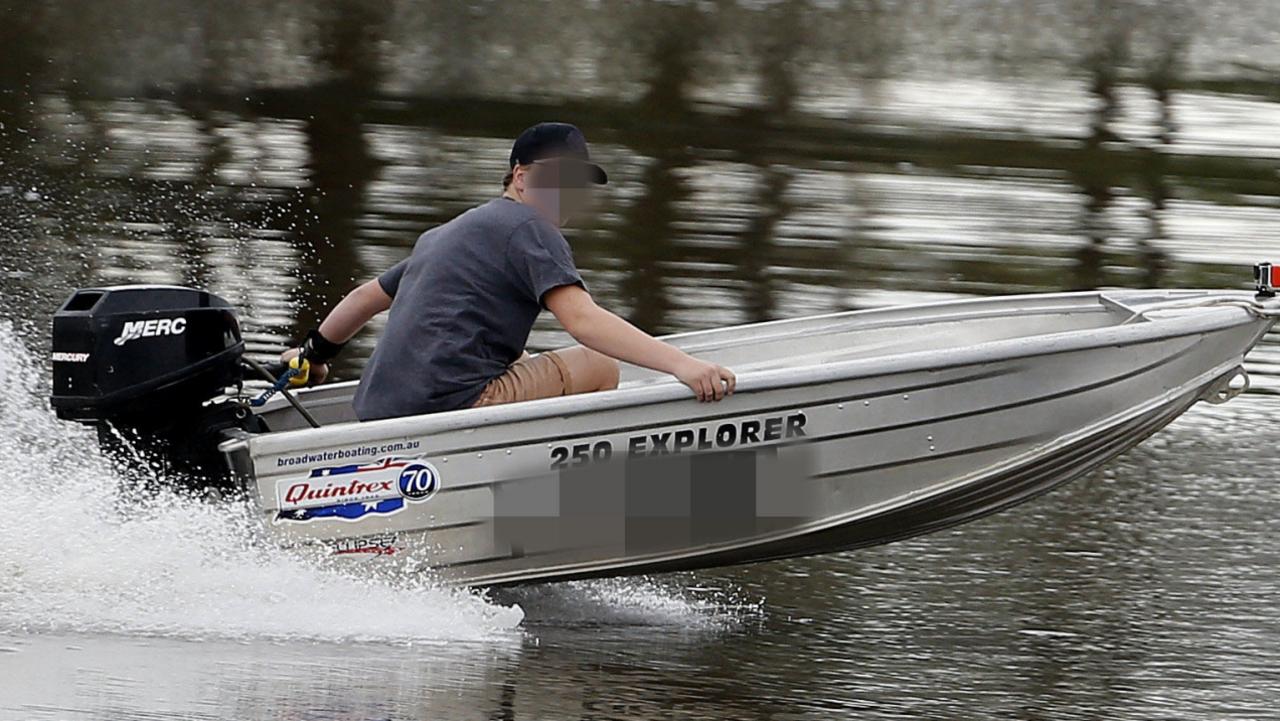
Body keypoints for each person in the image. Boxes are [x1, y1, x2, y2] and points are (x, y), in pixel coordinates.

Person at [285, 122, 735, 421]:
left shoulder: (451, 233)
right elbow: (582, 321)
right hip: (449, 406)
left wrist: (316, 356)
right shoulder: (530, 228)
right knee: (599, 364)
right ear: (520, 177)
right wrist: (683, 365)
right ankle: (570, 496)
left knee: (521, 359)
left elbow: (364, 298)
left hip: (377, 411)